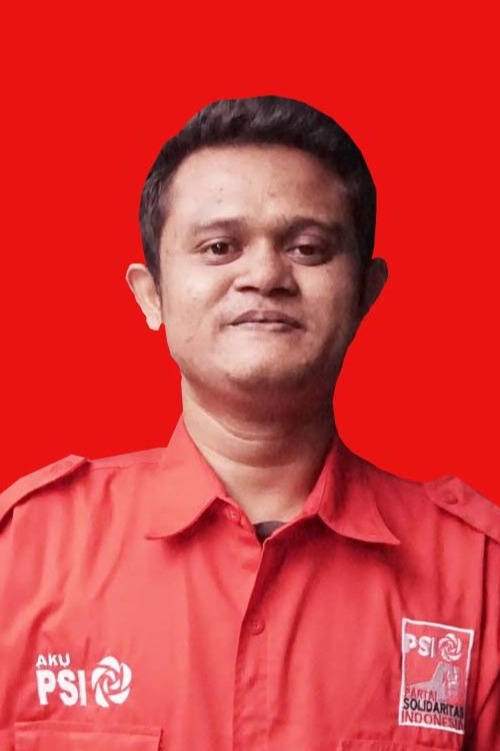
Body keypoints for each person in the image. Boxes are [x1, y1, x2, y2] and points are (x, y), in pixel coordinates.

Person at [0, 96, 498, 751]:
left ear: (366, 292)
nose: (264, 275)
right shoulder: (25, 554)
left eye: (308, 248)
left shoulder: (477, 577)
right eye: (219, 247)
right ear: (150, 293)